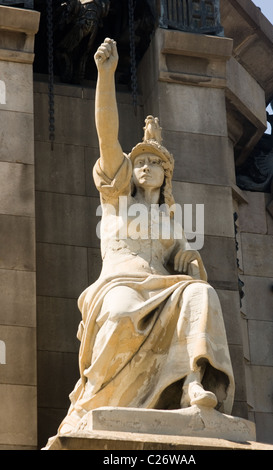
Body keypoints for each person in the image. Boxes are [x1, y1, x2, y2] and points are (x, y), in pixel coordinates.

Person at [59, 38, 235, 433]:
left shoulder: (171, 222)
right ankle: (94, 402)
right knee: (121, 315)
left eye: (155, 162)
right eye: (140, 160)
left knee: (200, 293)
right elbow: (107, 136)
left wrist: (189, 261)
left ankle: (192, 384)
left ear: (165, 175)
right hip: (121, 284)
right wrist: (106, 75)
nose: (146, 166)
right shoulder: (116, 196)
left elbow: (185, 264)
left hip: (165, 285)